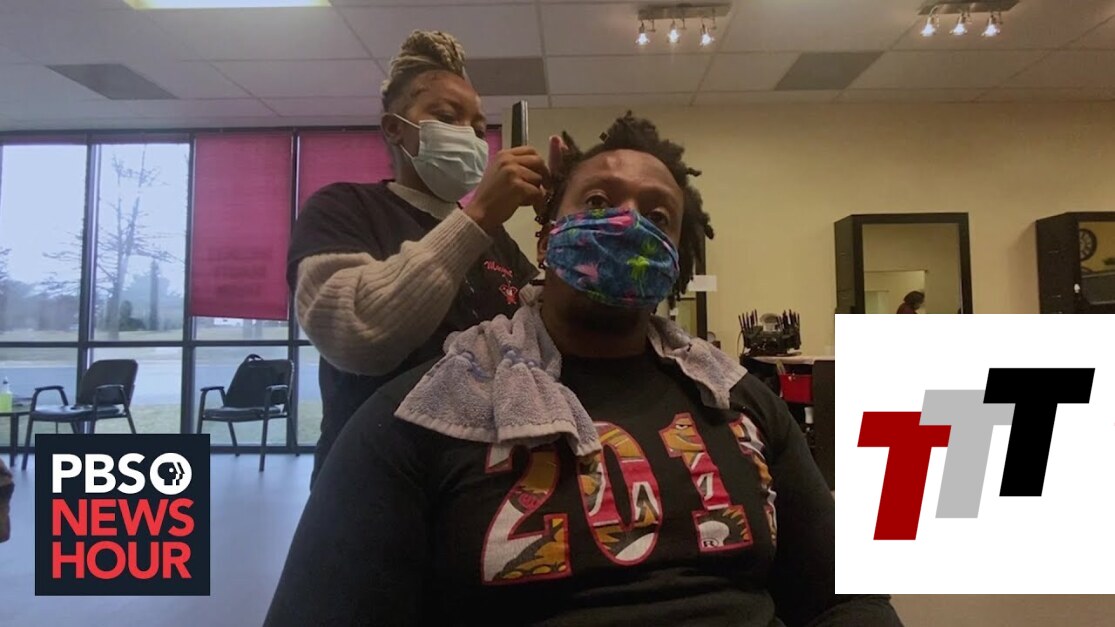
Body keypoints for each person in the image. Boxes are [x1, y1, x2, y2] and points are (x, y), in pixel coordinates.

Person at [266, 114, 902, 626]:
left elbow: (846, 600)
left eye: (658, 217)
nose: (626, 223)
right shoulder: (426, 416)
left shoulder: (739, 402)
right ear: (547, 238)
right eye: (598, 200)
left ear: (675, 261)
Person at [288, 31, 555, 484]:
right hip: (373, 481)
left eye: (478, 130)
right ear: (394, 128)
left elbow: (545, 330)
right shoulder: (342, 209)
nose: (469, 136)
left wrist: (564, 228)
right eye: (447, 117)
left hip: (481, 482)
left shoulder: (496, 238)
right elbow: (353, 331)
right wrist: (478, 217)